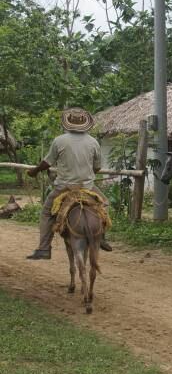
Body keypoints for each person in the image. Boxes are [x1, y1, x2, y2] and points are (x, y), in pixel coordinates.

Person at [26, 108, 112, 260]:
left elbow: (47, 162)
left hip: (64, 187)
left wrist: (35, 171)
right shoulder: (93, 142)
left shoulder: (59, 140)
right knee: (104, 204)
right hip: (87, 187)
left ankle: (44, 248)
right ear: (85, 125)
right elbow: (97, 167)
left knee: (46, 213)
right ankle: (101, 237)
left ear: (68, 123)